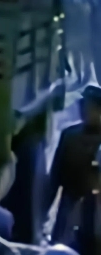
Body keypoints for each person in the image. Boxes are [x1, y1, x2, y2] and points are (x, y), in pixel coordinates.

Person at [48, 84, 101, 243]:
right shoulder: (70, 136)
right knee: (62, 244)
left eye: (90, 107)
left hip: (95, 207)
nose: (84, 110)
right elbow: (56, 175)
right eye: (83, 105)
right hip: (69, 201)